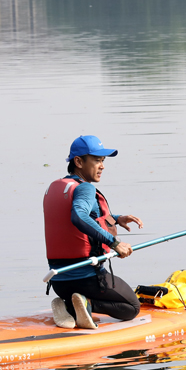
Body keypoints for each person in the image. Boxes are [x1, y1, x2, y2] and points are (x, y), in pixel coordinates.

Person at [44, 135, 144, 329]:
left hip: (59, 282)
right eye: (97, 160)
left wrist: (115, 219)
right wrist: (115, 243)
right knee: (132, 307)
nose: (102, 166)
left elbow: (80, 218)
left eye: (103, 161)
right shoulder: (85, 189)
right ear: (79, 162)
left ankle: (68, 302)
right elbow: (79, 217)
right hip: (87, 279)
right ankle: (82, 303)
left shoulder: (57, 187)